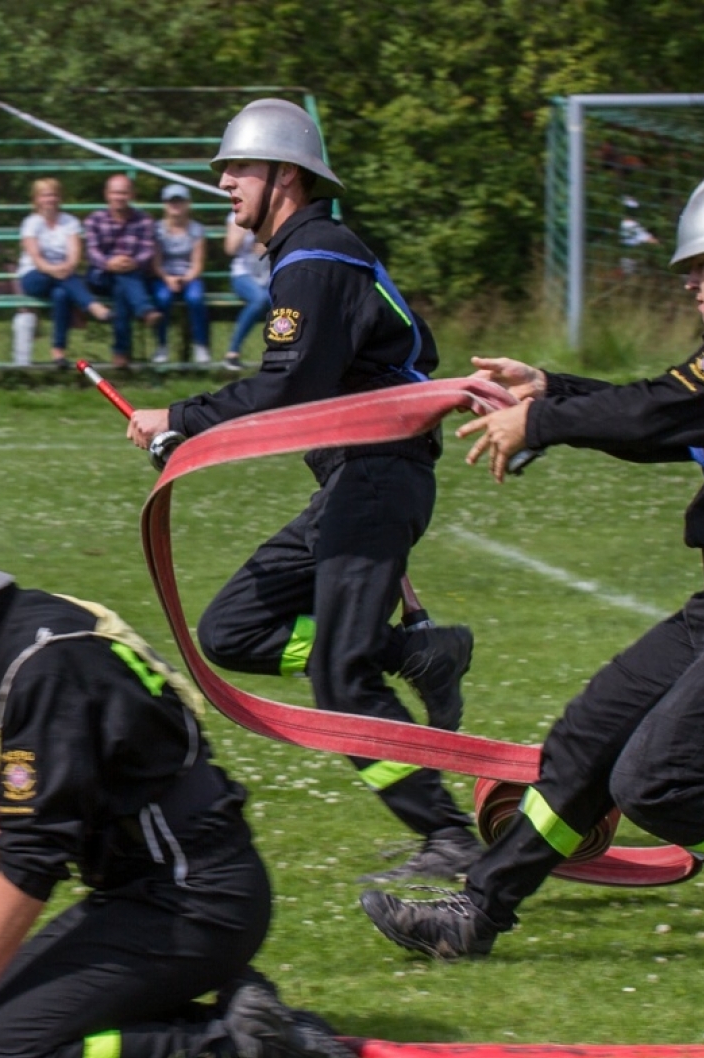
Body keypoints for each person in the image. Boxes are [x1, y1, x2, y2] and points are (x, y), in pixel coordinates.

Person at [361, 168, 704, 980]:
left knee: (658, 781)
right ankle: (476, 912)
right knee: (587, 739)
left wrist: (543, 417)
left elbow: (655, 415)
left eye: (697, 270)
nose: (689, 288)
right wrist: (556, 390)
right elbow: (669, 413)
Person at [0, 519, 351, 1058]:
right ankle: (241, 1010)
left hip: (196, 903)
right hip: (157, 894)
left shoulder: (44, 669)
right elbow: (3, 789)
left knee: (12, 1050)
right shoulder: (19, 635)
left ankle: (235, 1042)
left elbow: (34, 850)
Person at [126, 98, 481, 885]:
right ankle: (414, 652)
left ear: (285, 175)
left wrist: (182, 419)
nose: (222, 182)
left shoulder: (316, 255)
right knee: (232, 631)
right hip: (357, 481)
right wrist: (193, 435)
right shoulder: (309, 255)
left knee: (338, 676)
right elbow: (324, 398)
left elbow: (292, 388)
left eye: (238, 167)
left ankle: (449, 838)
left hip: (379, 477)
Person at [15, 178, 111, 368]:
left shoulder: (70, 222)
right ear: (36, 199)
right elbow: (36, 259)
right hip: (34, 276)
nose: (49, 199)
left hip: (63, 275)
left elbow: (74, 256)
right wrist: (55, 270)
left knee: (61, 294)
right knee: (66, 282)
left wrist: (65, 268)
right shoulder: (30, 223)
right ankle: (92, 305)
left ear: (59, 198)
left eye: (53, 194)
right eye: (44, 195)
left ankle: (58, 352)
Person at [84, 174, 160, 368]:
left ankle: (120, 353)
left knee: (121, 290)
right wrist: (109, 263)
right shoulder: (95, 219)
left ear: (132, 194)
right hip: (100, 276)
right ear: (107, 194)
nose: (119, 196)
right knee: (123, 279)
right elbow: (92, 252)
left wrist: (132, 262)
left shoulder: (144, 220)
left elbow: (148, 250)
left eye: (124, 192)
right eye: (115, 192)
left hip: (131, 274)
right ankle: (144, 309)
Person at [149, 183, 211, 365]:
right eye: (171, 201)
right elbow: (156, 262)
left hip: (189, 276)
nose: (175, 205)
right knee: (162, 299)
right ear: (165, 204)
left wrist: (185, 279)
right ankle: (161, 346)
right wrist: (167, 278)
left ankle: (201, 345)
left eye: (179, 201)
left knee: (195, 299)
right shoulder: (157, 229)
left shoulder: (197, 229)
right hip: (164, 276)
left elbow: (197, 263)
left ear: (187, 204)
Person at [222, 210, 271, 372]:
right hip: (243, 274)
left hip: (268, 274)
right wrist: (246, 225)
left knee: (285, 302)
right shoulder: (236, 217)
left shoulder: (274, 214)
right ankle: (232, 352)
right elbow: (230, 249)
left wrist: (267, 245)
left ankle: (283, 354)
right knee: (260, 299)